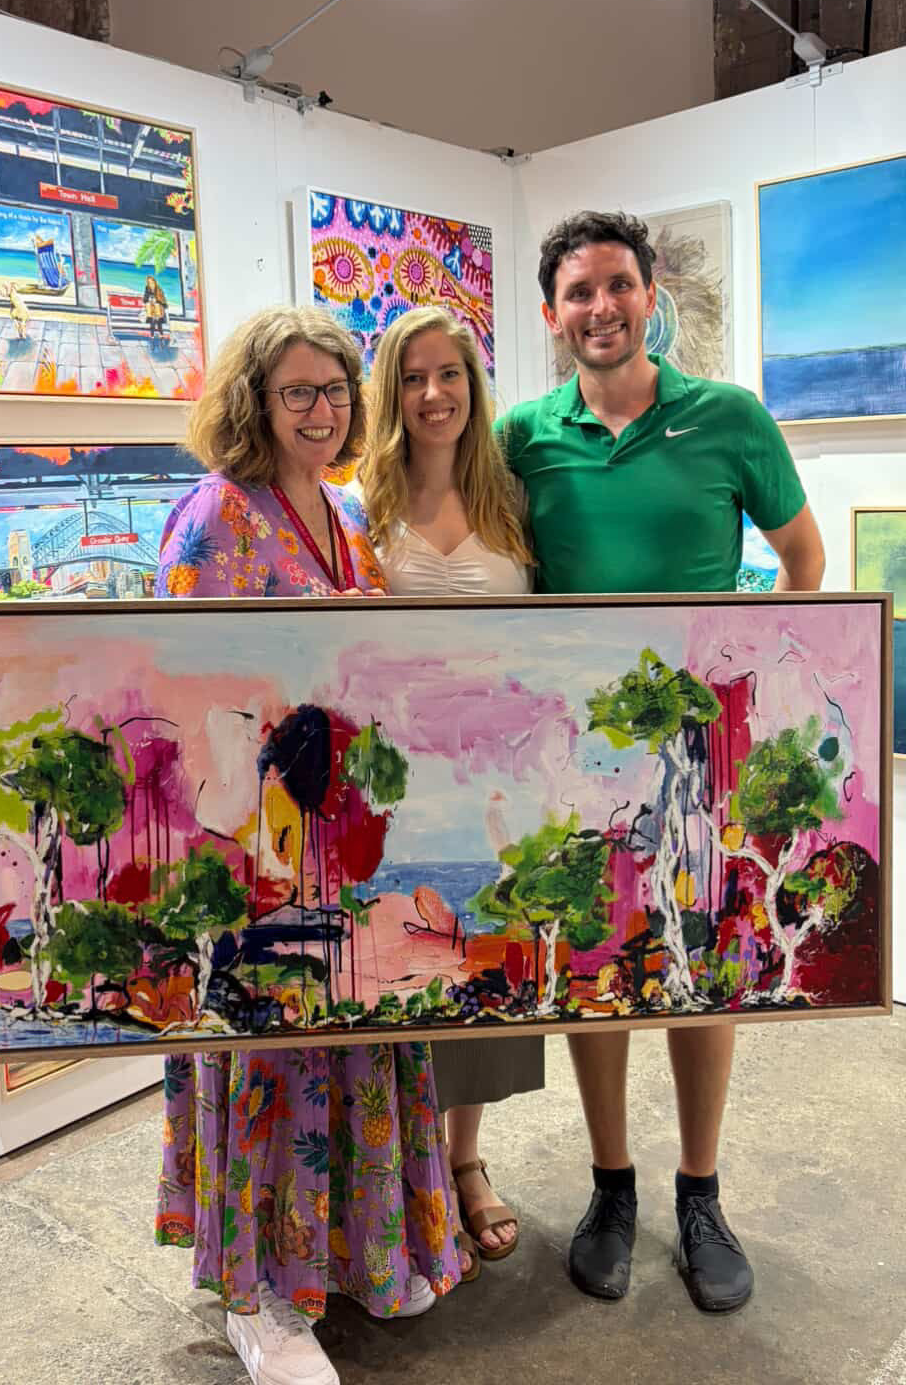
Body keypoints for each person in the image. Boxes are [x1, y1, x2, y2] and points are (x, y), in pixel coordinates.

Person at [497, 211, 825, 1316]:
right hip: (579, 757)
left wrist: (762, 697)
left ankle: (700, 1193)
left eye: (618, 286)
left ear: (651, 297)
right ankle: (611, 1186)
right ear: (553, 314)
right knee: (595, 962)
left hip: (703, 749)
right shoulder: (522, 437)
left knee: (702, 963)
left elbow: (804, 560)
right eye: (579, 292)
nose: (601, 308)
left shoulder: (730, 417)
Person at [154, 305, 459, 1385]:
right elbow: (182, 689)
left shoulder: (343, 511)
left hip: (346, 844)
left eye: (335, 391)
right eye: (298, 392)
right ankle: (261, 1297)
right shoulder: (216, 516)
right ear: (256, 401)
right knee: (270, 1056)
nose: (322, 411)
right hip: (255, 854)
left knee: (355, 1046)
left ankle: (354, 1256)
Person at [361, 305, 542, 1282]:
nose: (434, 394)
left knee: (483, 971)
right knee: (403, 973)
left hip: (497, 784)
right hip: (395, 789)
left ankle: (465, 1162)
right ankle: (410, 1175)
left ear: (474, 385)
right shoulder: (360, 505)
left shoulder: (512, 501)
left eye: (451, 375)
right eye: (414, 376)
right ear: (391, 392)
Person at [144, 274, 169, 341]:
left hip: (158, 307)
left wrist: (158, 301)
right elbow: (145, 298)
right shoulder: (147, 288)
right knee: (152, 322)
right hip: (151, 307)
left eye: (152, 282)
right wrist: (148, 300)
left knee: (159, 322)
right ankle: (152, 336)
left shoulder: (158, 289)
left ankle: (161, 335)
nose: (151, 284)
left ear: (154, 282)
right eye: (149, 282)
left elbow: (162, 299)